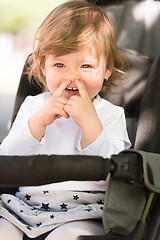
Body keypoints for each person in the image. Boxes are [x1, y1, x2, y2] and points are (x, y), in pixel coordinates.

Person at [0, 0, 131, 239]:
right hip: (24, 207)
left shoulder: (111, 114)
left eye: (86, 66)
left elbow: (117, 175)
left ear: (107, 70)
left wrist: (90, 122)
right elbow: (6, 161)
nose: (72, 76)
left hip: (84, 212)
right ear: (43, 67)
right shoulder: (33, 106)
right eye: (59, 64)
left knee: (66, 236)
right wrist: (39, 122)